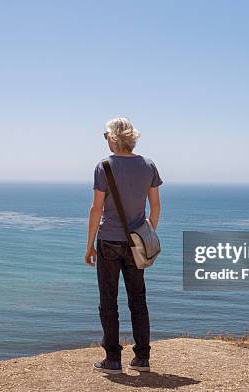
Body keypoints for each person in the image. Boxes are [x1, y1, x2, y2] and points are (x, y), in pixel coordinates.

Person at [84, 117, 163, 374]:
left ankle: (113, 360)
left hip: (108, 241)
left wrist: (89, 245)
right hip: (135, 243)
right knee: (138, 300)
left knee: (109, 301)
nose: (105, 140)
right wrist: (147, 234)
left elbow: (96, 209)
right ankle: (142, 358)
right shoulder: (148, 165)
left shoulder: (103, 167)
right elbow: (156, 206)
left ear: (114, 138)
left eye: (106, 135)